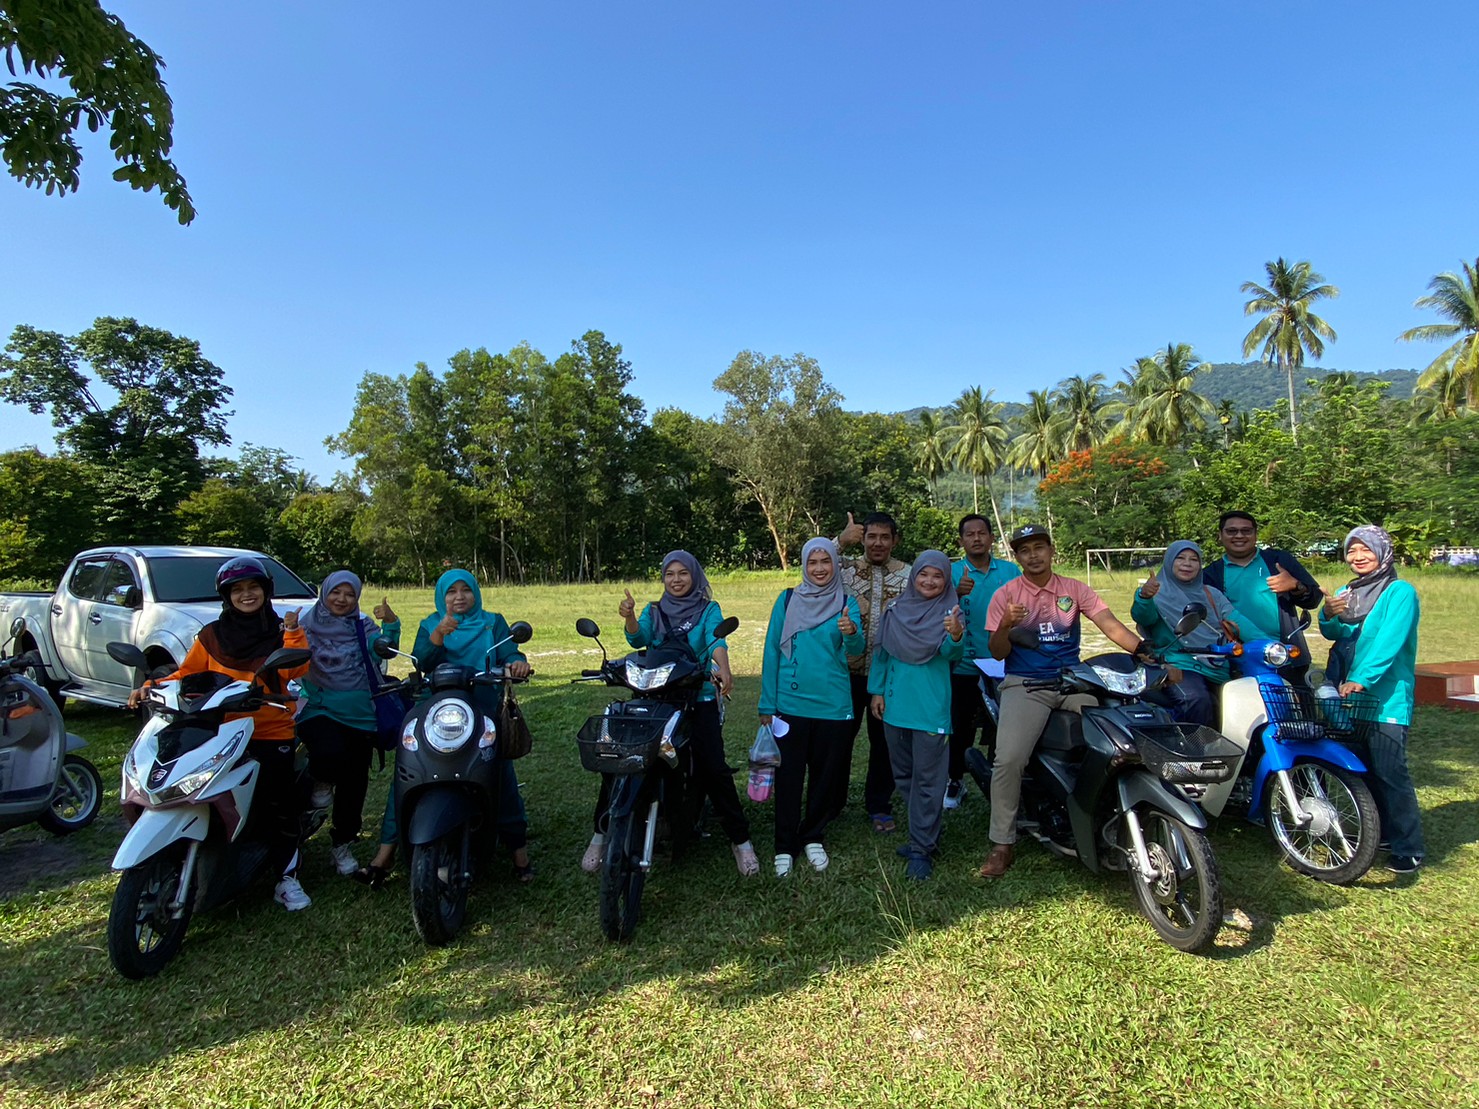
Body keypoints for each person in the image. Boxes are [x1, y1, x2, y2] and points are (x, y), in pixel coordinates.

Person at [127, 556, 314, 910]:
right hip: (218, 727)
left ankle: (287, 878)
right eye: (237, 589)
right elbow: (187, 674)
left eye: (254, 587)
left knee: (279, 804)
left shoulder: (278, 630)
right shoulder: (212, 635)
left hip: (268, 728)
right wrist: (150, 686)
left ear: (266, 591)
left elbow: (297, 668)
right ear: (227, 596)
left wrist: (292, 631)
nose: (247, 594)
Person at [979, 524, 1154, 878]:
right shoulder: (1006, 595)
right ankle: (1002, 844)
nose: (1033, 555)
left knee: (1116, 738)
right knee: (1009, 759)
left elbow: (1109, 624)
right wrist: (1006, 626)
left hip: (1073, 681)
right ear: (1017, 557)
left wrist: (1142, 650)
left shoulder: (1073, 589)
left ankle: (1111, 815)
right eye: (1025, 550)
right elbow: (996, 652)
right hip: (1026, 684)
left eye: (1039, 547)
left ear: (1051, 550)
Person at [580, 551, 761, 877]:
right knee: (621, 759)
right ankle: (600, 834)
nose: (676, 580)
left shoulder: (708, 609)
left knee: (713, 767)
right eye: (669, 574)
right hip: (654, 697)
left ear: (694, 575)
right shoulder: (654, 610)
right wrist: (630, 617)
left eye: (683, 573)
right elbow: (639, 638)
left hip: (697, 697)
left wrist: (723, 667)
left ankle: (740, 840)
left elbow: (716, 641)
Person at [355, 569, 532, 886]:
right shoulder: (430, 624)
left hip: (481, 706)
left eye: (466, 590)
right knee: (408, 773)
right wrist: (438, 634)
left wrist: (517, 662)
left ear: (476, 593)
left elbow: (510, 652)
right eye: (451, 591)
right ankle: (385, 853)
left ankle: (519, 853)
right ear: (442, 596)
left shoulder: (493, 622)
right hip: (436, 710)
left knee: (500, 774)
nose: (459, 597)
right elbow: (421, 661)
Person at [1318, 526, 1424, 875]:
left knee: (1391, 772)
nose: (1358, 557)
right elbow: (1336, 633)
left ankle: (1408, 846)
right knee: (1363, 770)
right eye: (1352, 550)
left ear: (1383, 552)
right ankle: (1379, 834)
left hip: (1386, 699)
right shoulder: (1347, 591)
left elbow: (1389, 642)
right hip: (1349, 698)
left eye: (1366, 549)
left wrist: (1362, 679)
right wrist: (1328, 613)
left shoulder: (1399, 593)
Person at [758, 537, 866, 877]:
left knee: (825, 776)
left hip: (833, 705)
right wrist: (767, 702)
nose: (820, 568)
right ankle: (784, 845)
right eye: (813, 562)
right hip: (790, 704)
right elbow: (772, 652)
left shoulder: (846, 602)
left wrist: (851, 631)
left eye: (826, 561)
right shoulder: (787, 600)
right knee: (788, 776)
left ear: (835, 564)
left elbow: (857, 649)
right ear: (805, 565)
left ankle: (813, 835)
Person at [294, 571, 401, 878]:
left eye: (349, 594)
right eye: (335, 592)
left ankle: (342, 845)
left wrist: (391, 623)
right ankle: (321, 781)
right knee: (328, 752)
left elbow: (384, 648)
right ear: (323, 593)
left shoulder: (361, 625)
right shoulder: (304, 625)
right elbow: (292, 661)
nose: (341, 599)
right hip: (320, 708)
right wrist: (288, 632)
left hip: (361, 714)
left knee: (354, 785)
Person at [868, 551, 965, 881]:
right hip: (895, 707)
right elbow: (882, 654)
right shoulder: (895, 609)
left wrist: (955, 634)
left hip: (930, 710)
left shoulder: (951, 613)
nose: (929, 581)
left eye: (938, 576)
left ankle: (921, 848)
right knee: (905, 776)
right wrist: (877, 691)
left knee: (929, 780)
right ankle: (925, 833)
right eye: (924, 574)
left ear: (946, 580)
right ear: (914, 576)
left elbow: (952, 654)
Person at [834, 511, 912, 832]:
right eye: (871, 536)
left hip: (889, 675)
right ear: (862, 539)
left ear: (895, 540)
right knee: (839, 740)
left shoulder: (909, 575)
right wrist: (840, 541)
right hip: (845, 674)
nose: (877, 543)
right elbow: (812, 564)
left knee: (885, 743)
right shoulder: (844, 570)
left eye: (884, 537)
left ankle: (879, 805)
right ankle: (832, 802)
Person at [1131, 541, 1250, 726]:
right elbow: (1144, 618)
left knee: (1246, 701)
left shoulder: (1212, 594)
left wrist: (1272, 644)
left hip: (1217, 664)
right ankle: (1193, 743)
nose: (1187, 563)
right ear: (1169, 561)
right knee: (1195, 699)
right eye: (1180, 558)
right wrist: (1144, 597)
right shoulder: (1156, 593)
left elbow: (1239, 621)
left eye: (1194, 559)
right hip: (1179, 663)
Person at [947, 514, 1020, 808]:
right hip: (964, 665)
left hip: (1005, 664)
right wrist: (955, 593)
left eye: (981, 533)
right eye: (970, 534)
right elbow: (932, 608)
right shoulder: (952, 572)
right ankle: (955, 780)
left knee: (1006, 728)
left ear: (991, 538)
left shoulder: (1009, 570)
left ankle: (1003, 784)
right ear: (961, 540)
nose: (976, 538)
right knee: (960, 726)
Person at [1203, 511, 1323, 675]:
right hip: (1236, 658)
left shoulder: (1279, 561)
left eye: (1246, 531)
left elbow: (1314, 599)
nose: (1239, 536)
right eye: (1231, 531)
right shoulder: (1210, 574)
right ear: (1220, 535)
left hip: (1284, 655)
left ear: (1255, 534)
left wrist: (1296, 585)